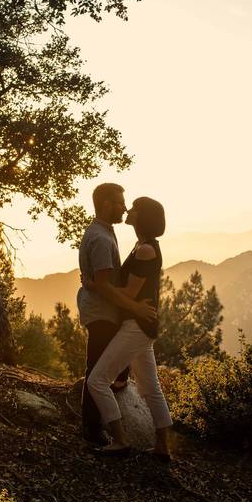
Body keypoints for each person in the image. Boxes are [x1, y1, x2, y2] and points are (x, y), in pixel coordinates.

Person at [86, 196, 172, 460]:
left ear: (143, 216)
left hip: (136, 326)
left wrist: (94, 285)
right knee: (150, 387)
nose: (128, 210)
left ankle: (120, 440)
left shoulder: (146, 250)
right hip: (141, 326)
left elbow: (130, 293)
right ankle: (162, 448)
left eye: (134, 208)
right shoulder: (142, 245)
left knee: (97, 380)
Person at [77, 183, 155, 446]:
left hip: (104, 311)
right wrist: (136, 308)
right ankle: (92, 428)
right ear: (107, 204)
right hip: (101, 312)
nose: (124, 207)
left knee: (105, 369)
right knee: (96, 370)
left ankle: (101, 422)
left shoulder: (105, 232)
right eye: (121, 202)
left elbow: (100, 283)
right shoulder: (100, 238)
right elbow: (103, 286)